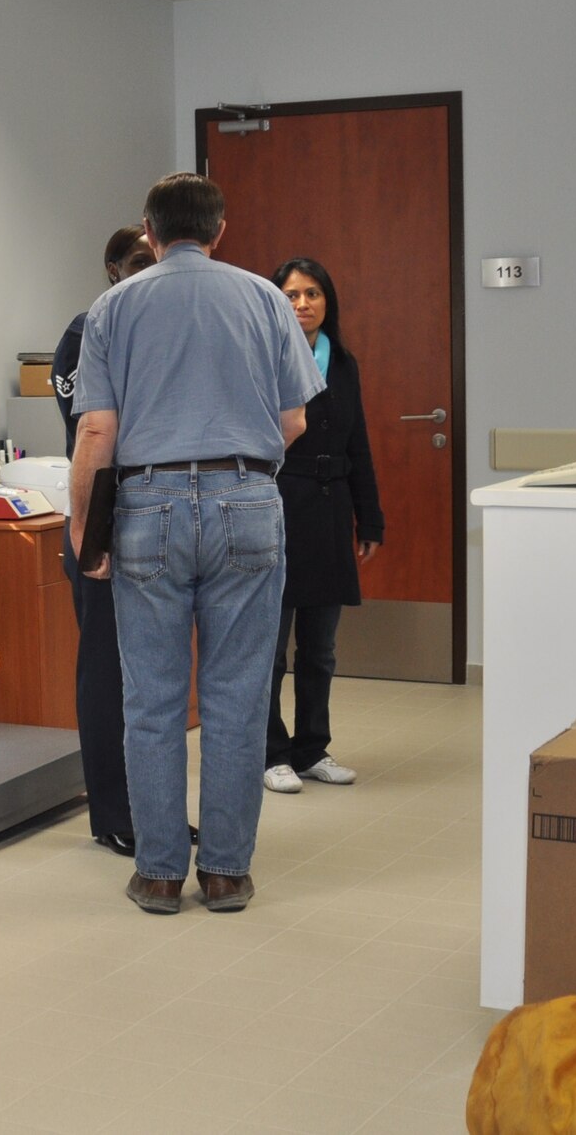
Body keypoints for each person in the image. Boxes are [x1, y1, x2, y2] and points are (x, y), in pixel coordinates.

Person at [69, 173, 322, 917]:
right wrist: (236, 462)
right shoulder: (265, 299)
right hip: (247, 502)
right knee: (237, 697)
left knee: (151, 699)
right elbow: (295, 422)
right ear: (219, 229)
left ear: (149, 232)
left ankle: (156, 874)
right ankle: (225, 873)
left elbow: (95, 432)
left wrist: (87, 531)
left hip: (147, 507)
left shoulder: (112, 308)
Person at [263, 257, 383, 795]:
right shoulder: (263, 358)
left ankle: (313, 748)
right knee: (270, 646)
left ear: (327, 302)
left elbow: (358, 444)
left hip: (333, 512)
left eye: (312, 293)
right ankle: (271, 752)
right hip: (280, 507)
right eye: (291, 294)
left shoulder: (345, 363)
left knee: (321, 648)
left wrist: (369, 516)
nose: (302, 304)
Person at [51, 225, 153, 856]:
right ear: (113, 268)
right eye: (139, 261)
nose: (149, 271)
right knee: (107, 674)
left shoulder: (157, 327)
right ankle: (113, 814)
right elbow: (90, 431)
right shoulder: (87, 332)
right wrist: (91, 535)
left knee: (154, 681)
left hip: (157, 516)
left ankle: (154, 812)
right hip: (103, 517)